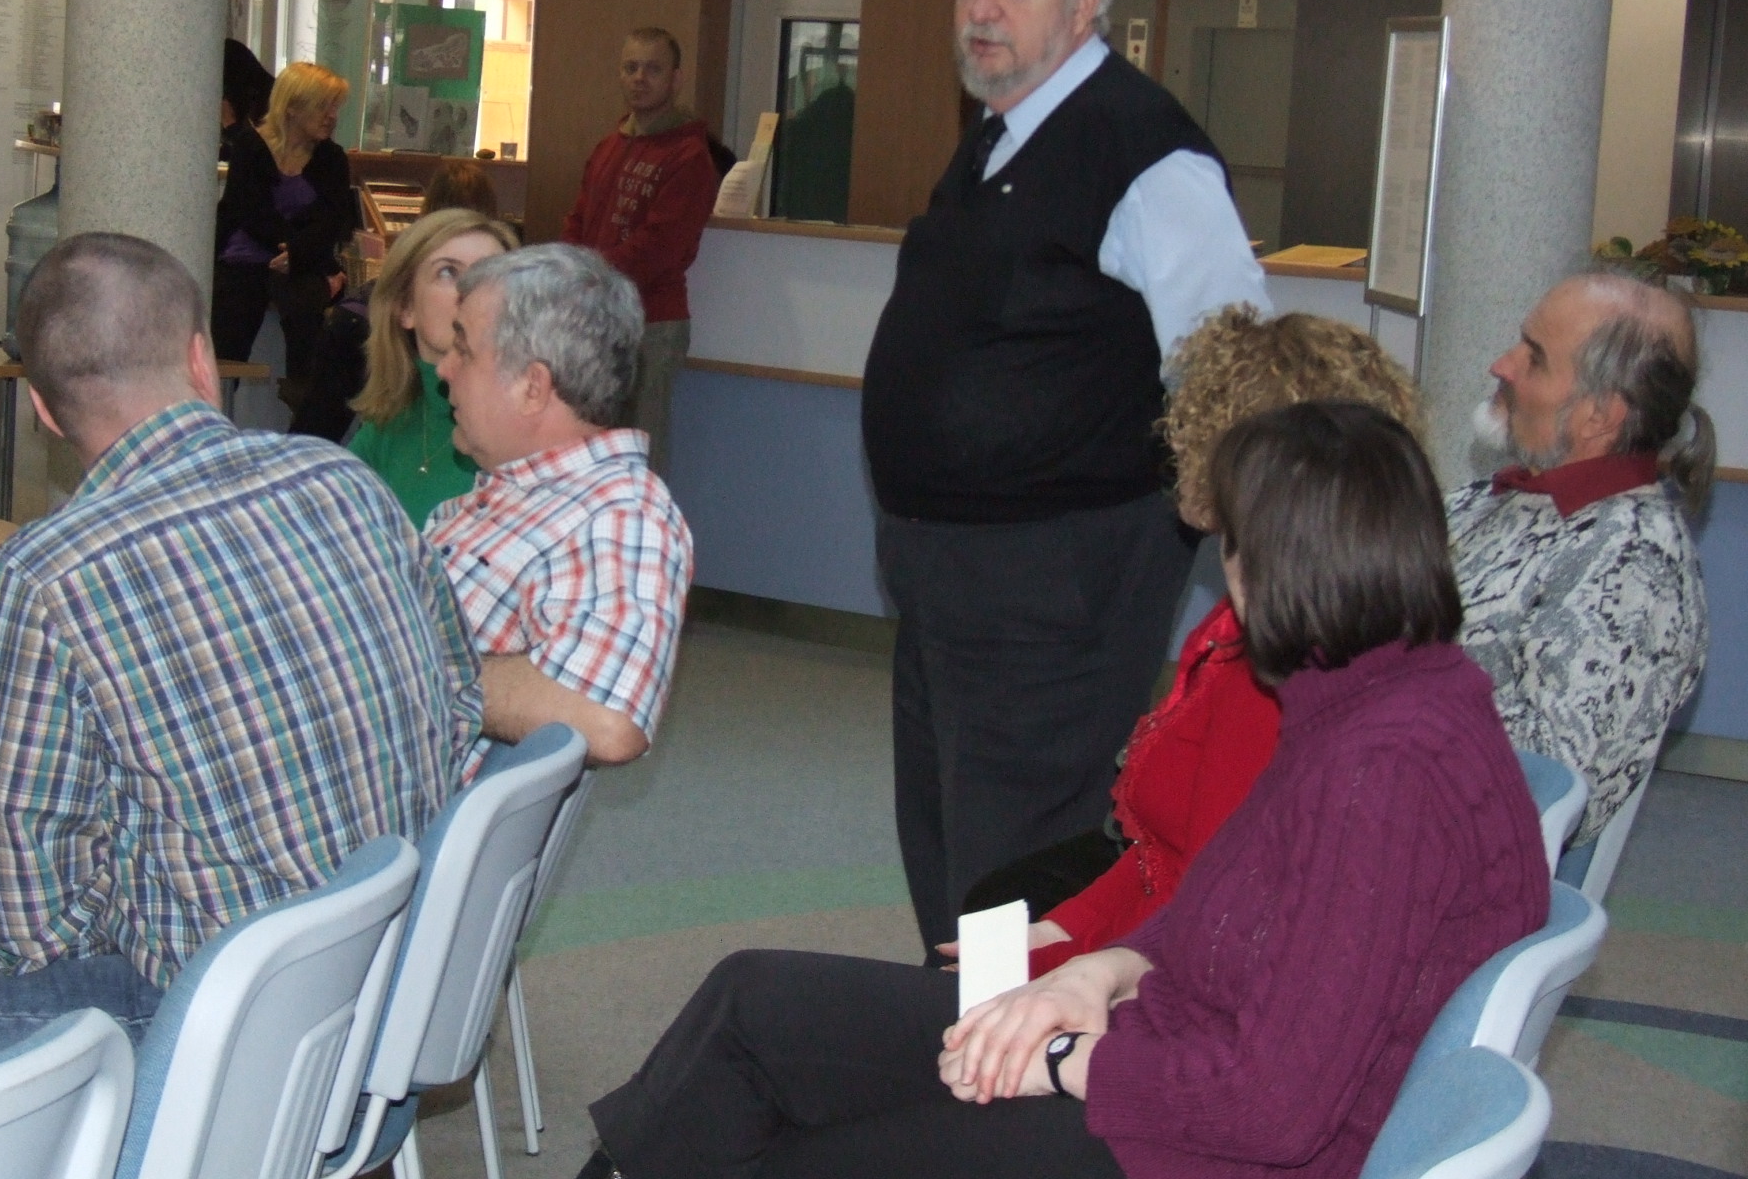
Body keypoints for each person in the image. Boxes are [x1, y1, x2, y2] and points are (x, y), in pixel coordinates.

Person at [579, 402, 1547, 1179]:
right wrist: (1101, 972)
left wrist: (1060, 1062)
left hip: (1187, 1148)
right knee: (752, 1000)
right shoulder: (1372, 698)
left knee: (788, 1151)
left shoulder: (1382, 773)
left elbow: (1274, 1108)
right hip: (1160, 1063)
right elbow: (1217, 908)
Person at [0, 233, 482, 1165]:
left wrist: (122, 864)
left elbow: (26, 928)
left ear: (41, 409)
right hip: (367, 961)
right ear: (200, 355)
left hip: (200, 1015)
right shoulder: (343, 480)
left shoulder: (52, 570)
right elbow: (460, 703)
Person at [860, 0, 1273, 951]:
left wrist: (1235, 548)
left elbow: (1227, 363)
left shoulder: (1143, 151)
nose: (980, 10)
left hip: (1057, 582)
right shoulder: (998, 134)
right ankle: (966, 1022)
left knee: (1016, 855)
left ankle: (1015, 1044)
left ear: (1084, 4)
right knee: (949, 837)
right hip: (954, 577)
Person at [959, 307, 1422, 977]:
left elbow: (1208, 914)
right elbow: (1165, 862)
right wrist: (1058, 930)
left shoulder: (1272, 663)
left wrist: (1044, 966)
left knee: (964, 943)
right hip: (1155, 908)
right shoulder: (1262, 612)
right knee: (994, 914)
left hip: (1165, 976)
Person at [1450, 271, 1713, 848]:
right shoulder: (1499, 498)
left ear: (1599, 416)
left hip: (1448, 854)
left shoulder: (1634, 568)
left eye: (1535, 357)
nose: (1501, 365)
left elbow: (1549, 789)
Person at [429, 243, 694, 770]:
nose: (443, 369)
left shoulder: (621, 514)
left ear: (532, 387)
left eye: (463, 350)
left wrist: (410, 664)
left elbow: (607, 720)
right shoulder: (523, 494)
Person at [561, 27, 722, 481]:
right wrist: (566, 271)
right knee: (588, 454)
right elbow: (579, 219)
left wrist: (587, 276)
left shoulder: (690, 157)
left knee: (638, 461)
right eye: (630, 68)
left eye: (652, 69)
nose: (639, 78)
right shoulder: (609, 146)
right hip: (595, 319)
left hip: (652, 325)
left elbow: (659, 248)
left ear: (676, 79)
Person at [344, 208, 519, 525]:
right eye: (448, 272)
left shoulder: (524, 428)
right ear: (405, 307)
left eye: (490, 274)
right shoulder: (388, 426)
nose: (473, 289)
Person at [211, 60, 358, 402]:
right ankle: (216, 400)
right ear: (292, 107)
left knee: (307, 307)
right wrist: (290, 248)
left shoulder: (332, 158)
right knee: (231, 311)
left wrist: (298, 254)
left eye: (335, 107)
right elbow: (247, 210)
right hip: (247, 255)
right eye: (323, 107)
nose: (332, 116)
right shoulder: (250, 146)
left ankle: (301, 396)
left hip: (301, 259)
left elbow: (333, 220)